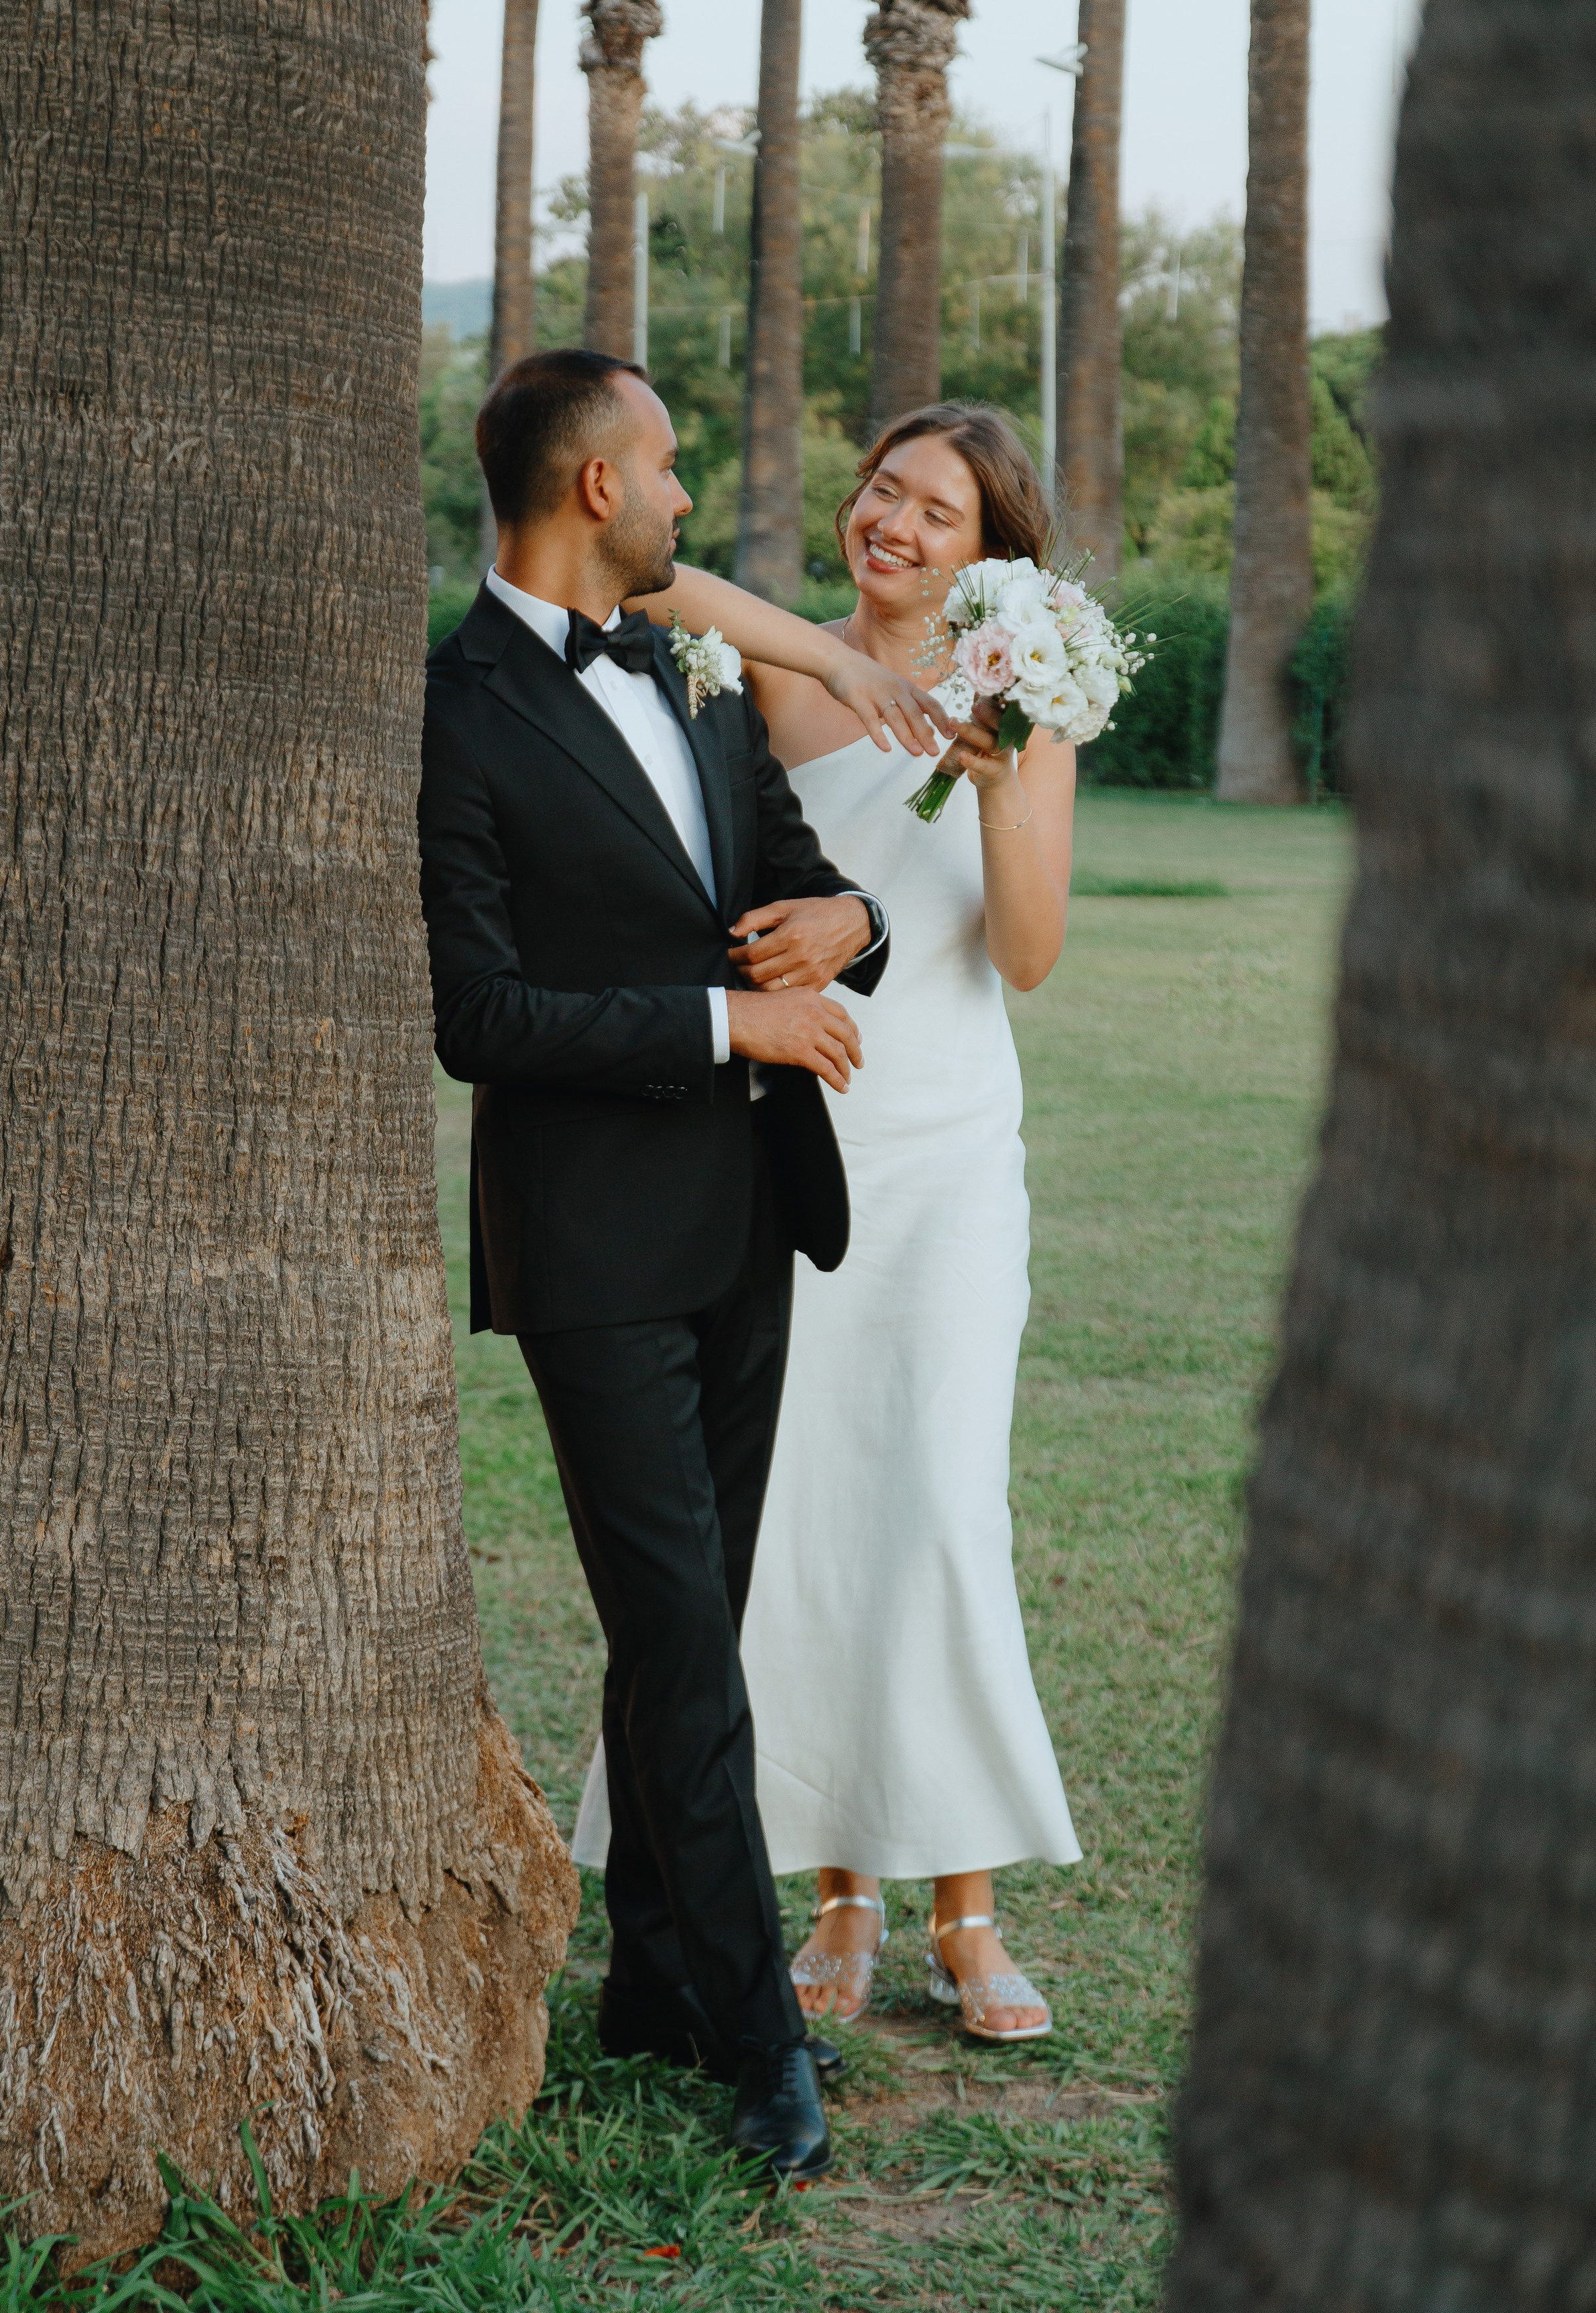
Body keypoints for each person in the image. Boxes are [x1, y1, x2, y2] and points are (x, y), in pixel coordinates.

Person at [417, 350, 943, 2177]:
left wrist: (852, 920)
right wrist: (728, 1023)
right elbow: (477, 1013)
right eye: (666, 471)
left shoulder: (696, 667)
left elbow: (808, 888)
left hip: (746, 1224)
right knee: (677, 1637)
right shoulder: (462, 705)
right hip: (590, 1251)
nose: (683, 503)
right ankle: (753, 2032)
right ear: (591, 493)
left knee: (693, 1630)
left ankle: (653, 1973)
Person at [572, 402, 1082, 2041]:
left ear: (994, 557)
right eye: (883, 491)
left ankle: (966, 1910)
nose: (896, 526)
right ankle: (838, 1898)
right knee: (791, 1523)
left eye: (938, 513)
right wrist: (848, 666)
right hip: (790, 1153)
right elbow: (652, 594)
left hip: (942, 1167)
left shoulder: (1035, 705)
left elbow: (1024, 954)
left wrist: (992, 771)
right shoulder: (781, 676)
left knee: (933, 1507)